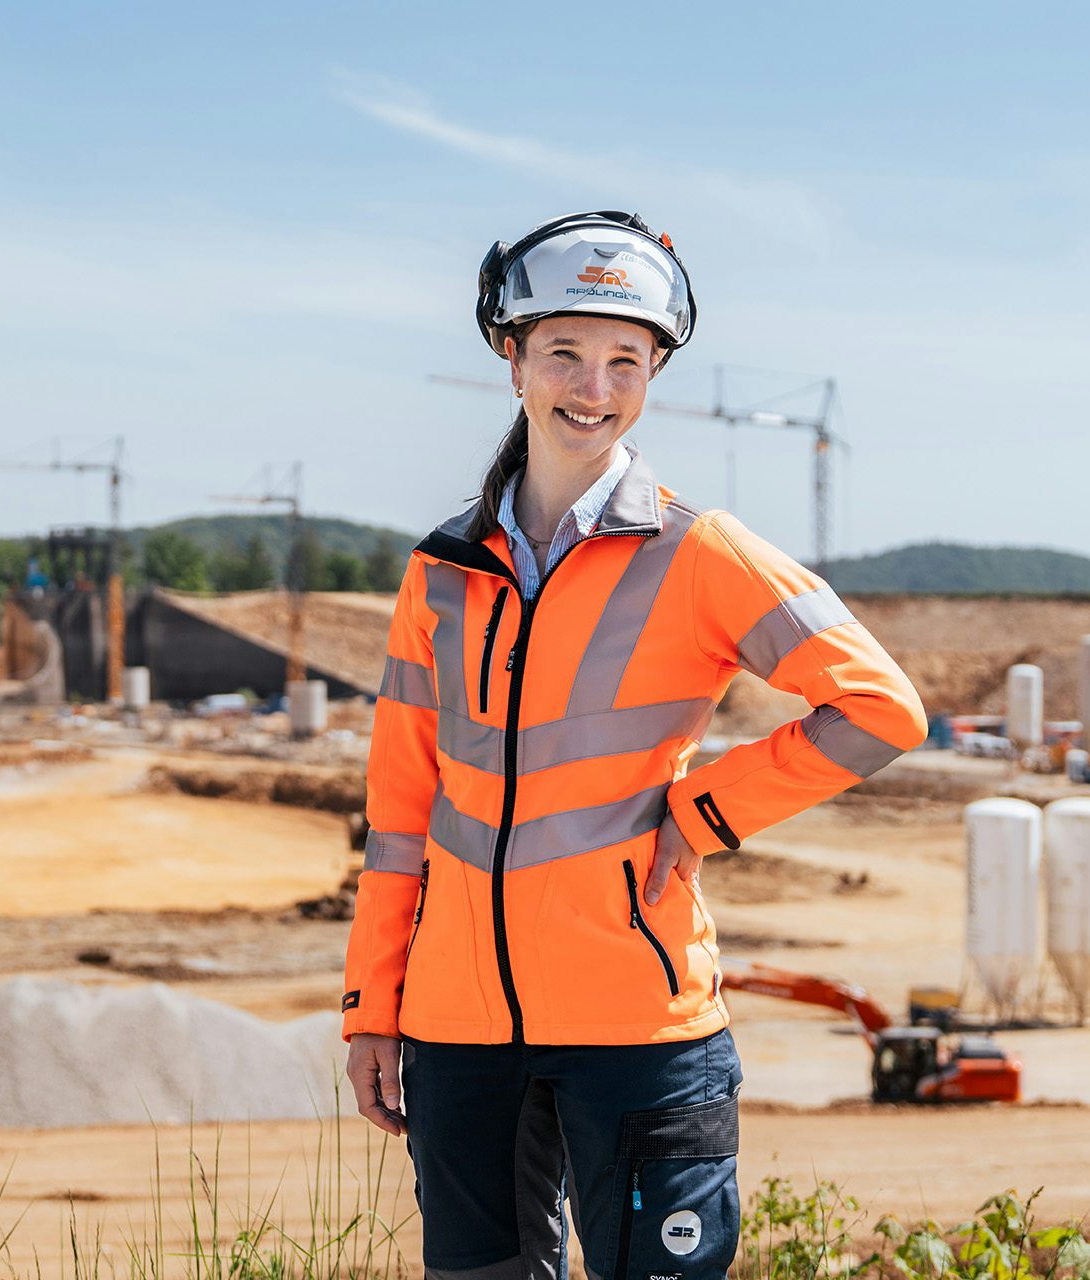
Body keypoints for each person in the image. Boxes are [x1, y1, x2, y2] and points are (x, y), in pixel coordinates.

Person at [342, 211, 928, 1280]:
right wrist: (374, 1005)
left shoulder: (698, 552)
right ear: (510, 356)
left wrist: (707, 811)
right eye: (563, 350)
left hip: (641, 1025)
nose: (593, 385)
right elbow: (399, 813)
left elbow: (881, 705)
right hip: (460, 1030)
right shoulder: (440, 573)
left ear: (655, 371)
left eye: (626, 359)